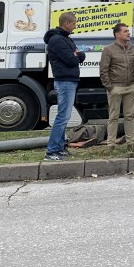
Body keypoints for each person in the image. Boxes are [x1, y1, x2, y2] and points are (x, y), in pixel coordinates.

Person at [44, 12, 86, 161]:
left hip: (69, 80)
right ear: (67, 23)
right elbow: (71, 59)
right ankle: (52, 151)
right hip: (65, 81)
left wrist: (77, 55)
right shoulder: (57, 40)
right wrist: (75, 55)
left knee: (64, 116)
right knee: (63, 116)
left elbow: (80, 55)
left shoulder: (65, 39)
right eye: (74, 24)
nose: (75, 26)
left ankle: (60, 148)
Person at [99, 22, 134, 151]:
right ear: (117, 34)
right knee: (113, 116)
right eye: (125, 31)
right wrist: (110, 87)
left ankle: (130, 143)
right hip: (116, 87)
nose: (128, 33)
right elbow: (103, 70)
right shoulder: (109, 49)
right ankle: (110, 144)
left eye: (128, 31)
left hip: (131, 87)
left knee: (129, 116)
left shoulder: (133, 48)